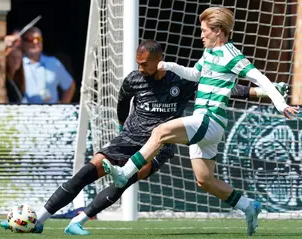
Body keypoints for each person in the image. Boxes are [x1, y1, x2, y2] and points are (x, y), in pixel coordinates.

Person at [0, 39, 288, 235]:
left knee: (126, 178)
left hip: (158, 145)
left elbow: (227, 90)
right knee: (88, 170)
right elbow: (122, 105)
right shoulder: (134, 79)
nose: (141, 68)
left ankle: (79, 220)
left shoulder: (182, 80)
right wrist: (124, 127)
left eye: (146, 63)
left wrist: (263, 92)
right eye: (138, 63)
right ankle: (39, 220)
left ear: (159, 61)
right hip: (129, 137)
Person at [102, 7, 299, 236]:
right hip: (203, 122)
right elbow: (195, 74)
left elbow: (260, 78)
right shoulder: (208, 53)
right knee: (204, 180)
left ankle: (124, 173)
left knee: (160, 132)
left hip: (210, 119)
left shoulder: (231, 56)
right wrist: (170, 66)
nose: (201, 35)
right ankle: (248, 206)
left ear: (218, 31)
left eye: (205, 31)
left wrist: (280, 104)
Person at [21, 27, 76, 103]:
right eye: (30, 40)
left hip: (51, 112)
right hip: (26, 112)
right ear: (23, 43)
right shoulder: (18, 63)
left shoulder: (53, 62)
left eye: (39, 39)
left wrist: (63, 106)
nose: (36, 42)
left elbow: (70, 86)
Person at [5, 32, 25, 103]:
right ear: (7, 59)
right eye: (13, 57)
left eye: (18, 58)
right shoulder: (4, 79)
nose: (16, 61)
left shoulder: (18, 82)